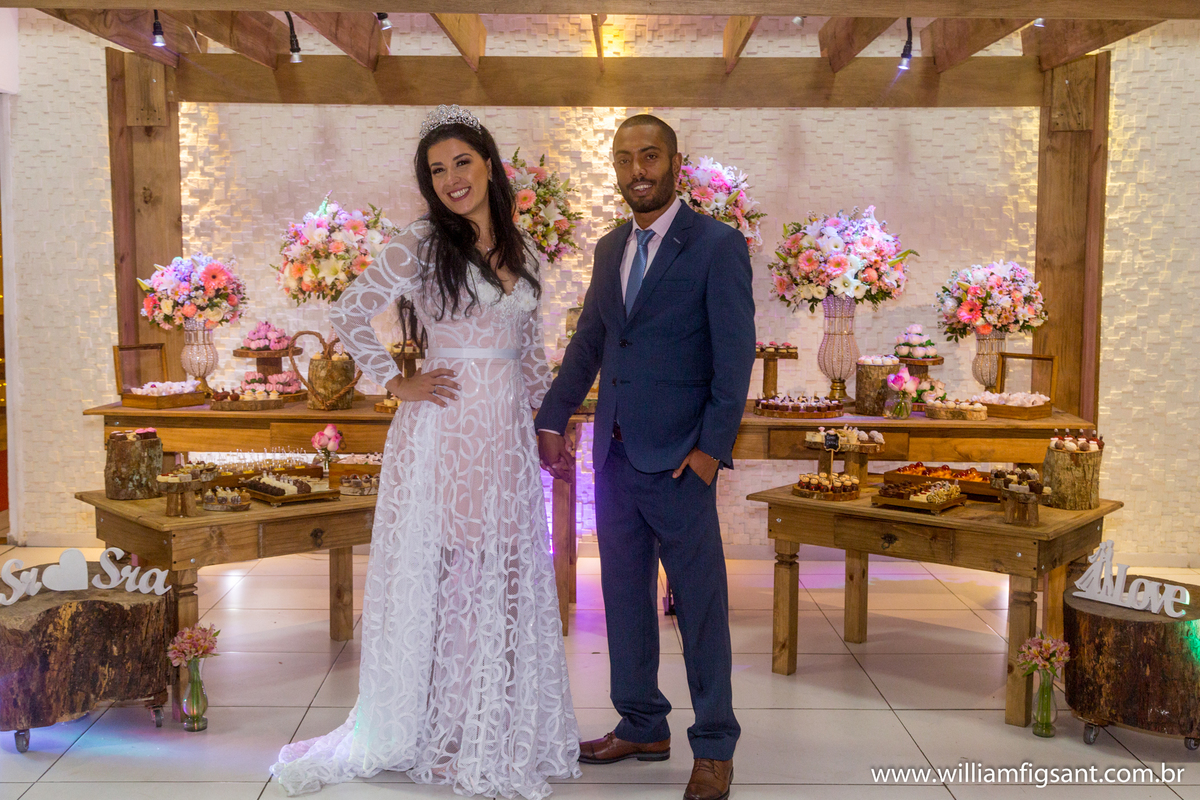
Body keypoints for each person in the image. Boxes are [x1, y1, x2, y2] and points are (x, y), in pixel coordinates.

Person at [271, 105, 581, 798]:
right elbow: (349, 311)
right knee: (452, 577)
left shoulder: (521, 248)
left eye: (461, 163)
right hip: (444, 429)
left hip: (502, 435)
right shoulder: (421, 243)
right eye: (436, 170)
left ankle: (492, 721)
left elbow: (528, 353)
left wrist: (550, 423)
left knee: (502, 573)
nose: (450, 179)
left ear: (489, 165)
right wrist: (395, 381)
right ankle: (441, 731)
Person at [537, 114, 756, 800]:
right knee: (623, 596)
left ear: (675, 162)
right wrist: (550, 416)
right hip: (617, 455)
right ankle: (641, 721)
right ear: (616, 167)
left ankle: (715, 744)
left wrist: (709, 452)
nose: (638, 168)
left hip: (680, 460)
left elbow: (735, 355)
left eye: (650, 155)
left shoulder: (718, 245)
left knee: (699, 607)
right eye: (626, 157)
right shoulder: (610, 248)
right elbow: (591, 344)